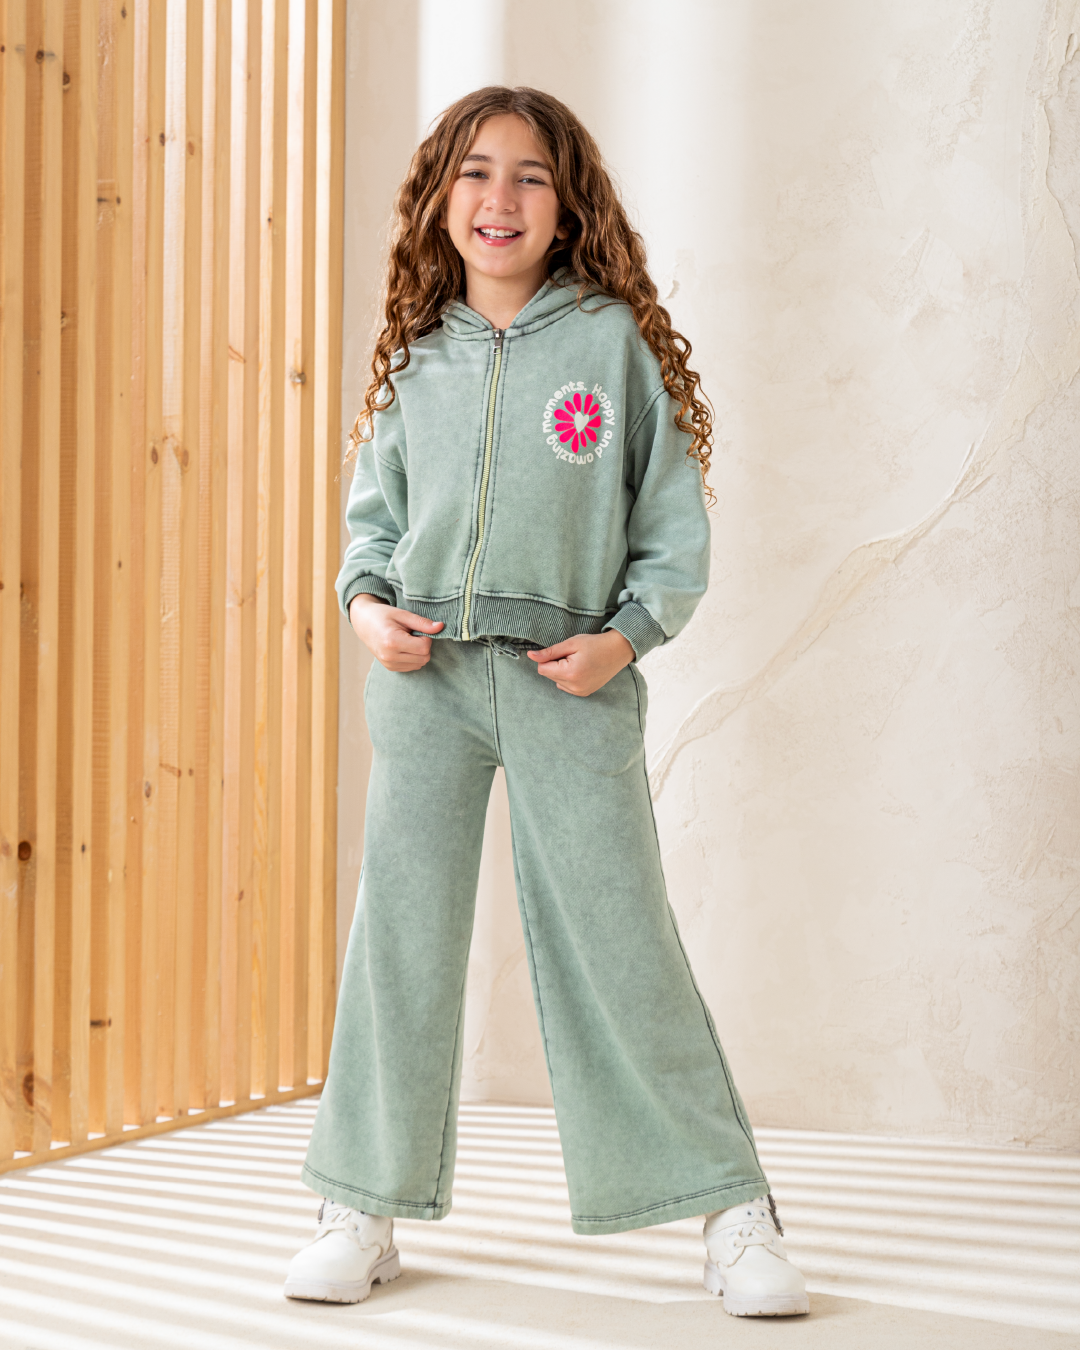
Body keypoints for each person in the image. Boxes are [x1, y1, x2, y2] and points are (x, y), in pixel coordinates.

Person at [284, 85, 809, 1320]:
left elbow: (671, 530)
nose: (500, 197)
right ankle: (360, 1203)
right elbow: (371, 528)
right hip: (425, 681)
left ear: (569, 205)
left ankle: (732, 1208)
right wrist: (366, 610)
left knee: (622, 938)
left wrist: (624, 641)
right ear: (440, 200)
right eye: (475, 172)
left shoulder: (611, 344)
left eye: (530, 175)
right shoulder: (417, 352)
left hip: (570, 677)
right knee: (398, 938)